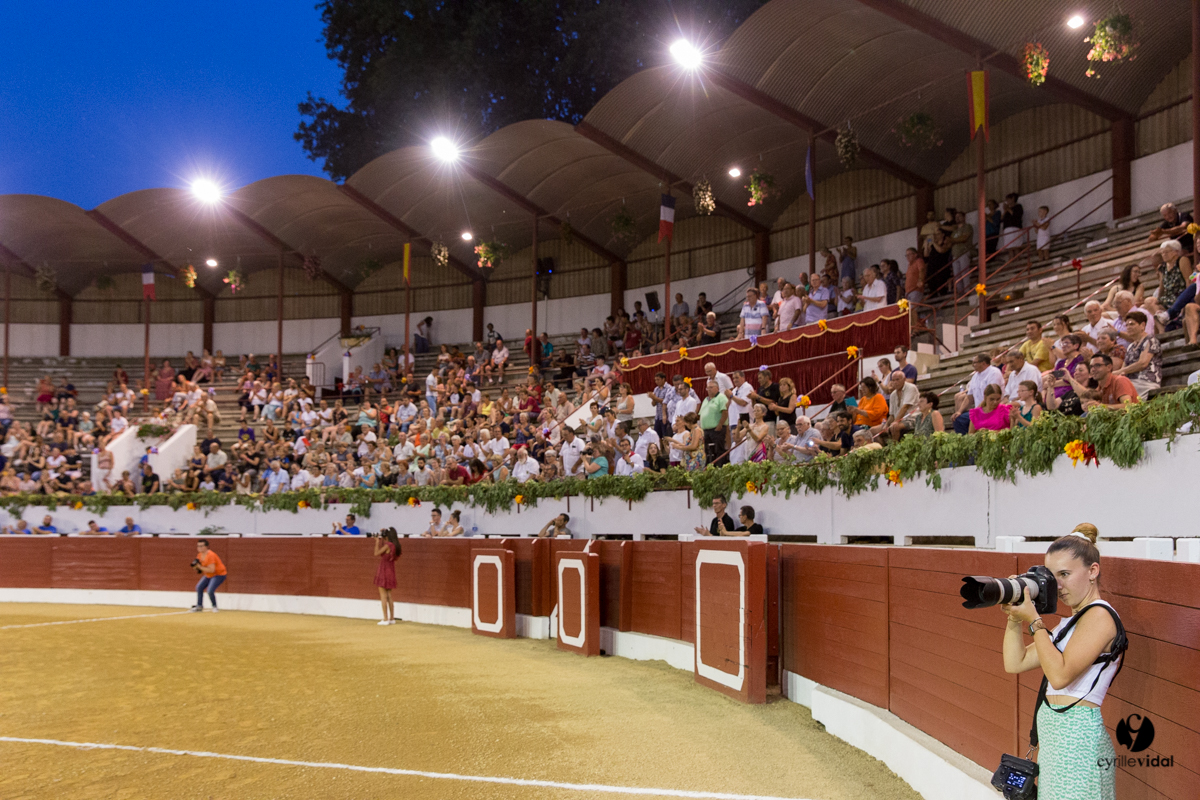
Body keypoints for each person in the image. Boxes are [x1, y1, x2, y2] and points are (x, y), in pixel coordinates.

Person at [1001, 524, 1124, 800]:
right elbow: (1015, 662)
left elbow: (1059, 675)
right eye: (1052, 576)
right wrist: (1013, 616)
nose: (1058, 586)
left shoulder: (1100, 617)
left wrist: (1033, 620)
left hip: (1078, 741)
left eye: (1065, 574)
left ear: (1093, 571)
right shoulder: (1069, 624)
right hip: (1056, 739)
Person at [190, 538, 227, 612]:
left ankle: (214, 606)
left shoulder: (210, 555)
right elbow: (201, 568)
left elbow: (212, 569)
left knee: (210, 590)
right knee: (199, 587)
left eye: (201, 546)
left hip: (219, 574)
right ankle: (199, 606)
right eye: (198, 546)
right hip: (209, 575)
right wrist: (197, 567)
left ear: (206, 547)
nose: (199, 548)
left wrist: (200, 567)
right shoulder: (200, 555)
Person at [373, 527, 401, 625]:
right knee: (389, 595)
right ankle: (391, 618)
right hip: (390, 570)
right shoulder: (394, 545)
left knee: (383, 596)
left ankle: (385, 619)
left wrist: (377, 541)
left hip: (384, 570)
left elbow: (376, 553)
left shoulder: (388, 545)